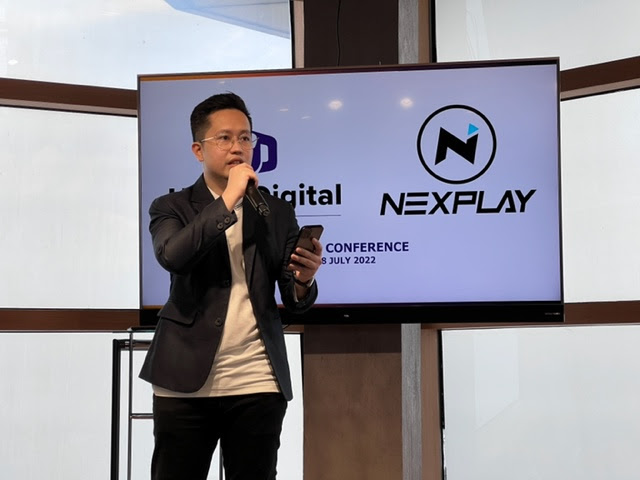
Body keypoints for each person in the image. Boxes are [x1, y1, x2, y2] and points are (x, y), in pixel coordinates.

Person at [139, 92, 322, 480]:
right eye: (224, 138)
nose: (238, 147)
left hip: (257, 377)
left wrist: (304, 280)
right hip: (184, 381)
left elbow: (293, 300)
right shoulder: (170, 207)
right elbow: (173, 256)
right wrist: (228, 199)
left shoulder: (276, 210)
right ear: (198, 150)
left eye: (245, 138)